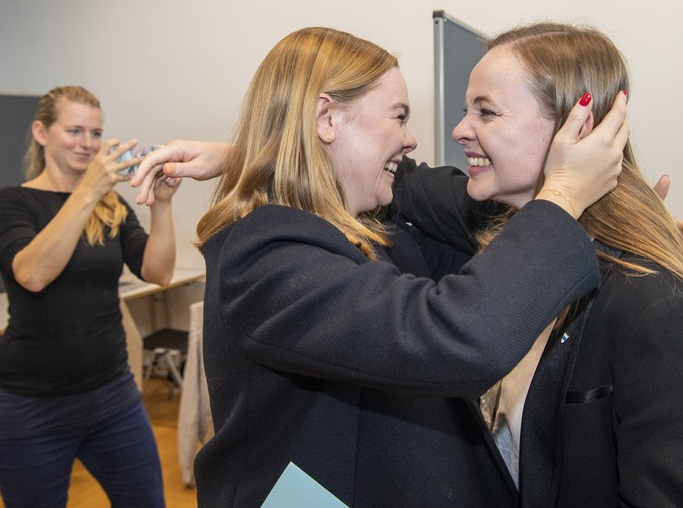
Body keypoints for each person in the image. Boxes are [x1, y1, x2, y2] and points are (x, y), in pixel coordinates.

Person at [134, 26, 628, 507]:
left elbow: (469, 212)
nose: (411, 140)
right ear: (326, 118)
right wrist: (563, 196)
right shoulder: (265, 257)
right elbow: (454, 336)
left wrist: (624, 232)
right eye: (398, 116)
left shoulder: (372, 224)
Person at [394, 23, 683, 507]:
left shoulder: (656, 309)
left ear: (577, 129)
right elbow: (398, 182)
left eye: (486, 112)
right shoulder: (501, 229)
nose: (460, 130)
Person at [0, 86, 180, 507]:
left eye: (95, 133)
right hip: (30, 406)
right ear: (41, 132)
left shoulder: (110, 206)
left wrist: (161, 205)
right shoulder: (11, 203)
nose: (87, 143)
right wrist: (87, 190)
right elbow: (33, 274)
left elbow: (158, 271)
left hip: (112, 395)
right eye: (74, 130)